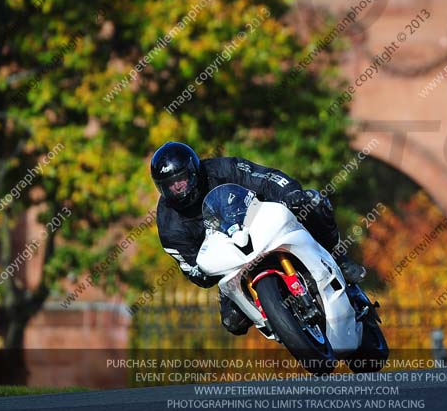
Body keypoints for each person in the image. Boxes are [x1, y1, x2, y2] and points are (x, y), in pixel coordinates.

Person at [151, 141, 366, 335]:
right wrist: (200, 272)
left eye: (182, 180)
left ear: (194, 172)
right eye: (170, 185)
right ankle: (285, 325)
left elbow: (267, 178)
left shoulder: (222, 169)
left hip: (261, 225)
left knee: (312, 202)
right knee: (232, 322)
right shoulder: (168, 225)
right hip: (231, 262)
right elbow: (190, 266)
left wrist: (291, 194)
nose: (178, 189)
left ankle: (339, 257)